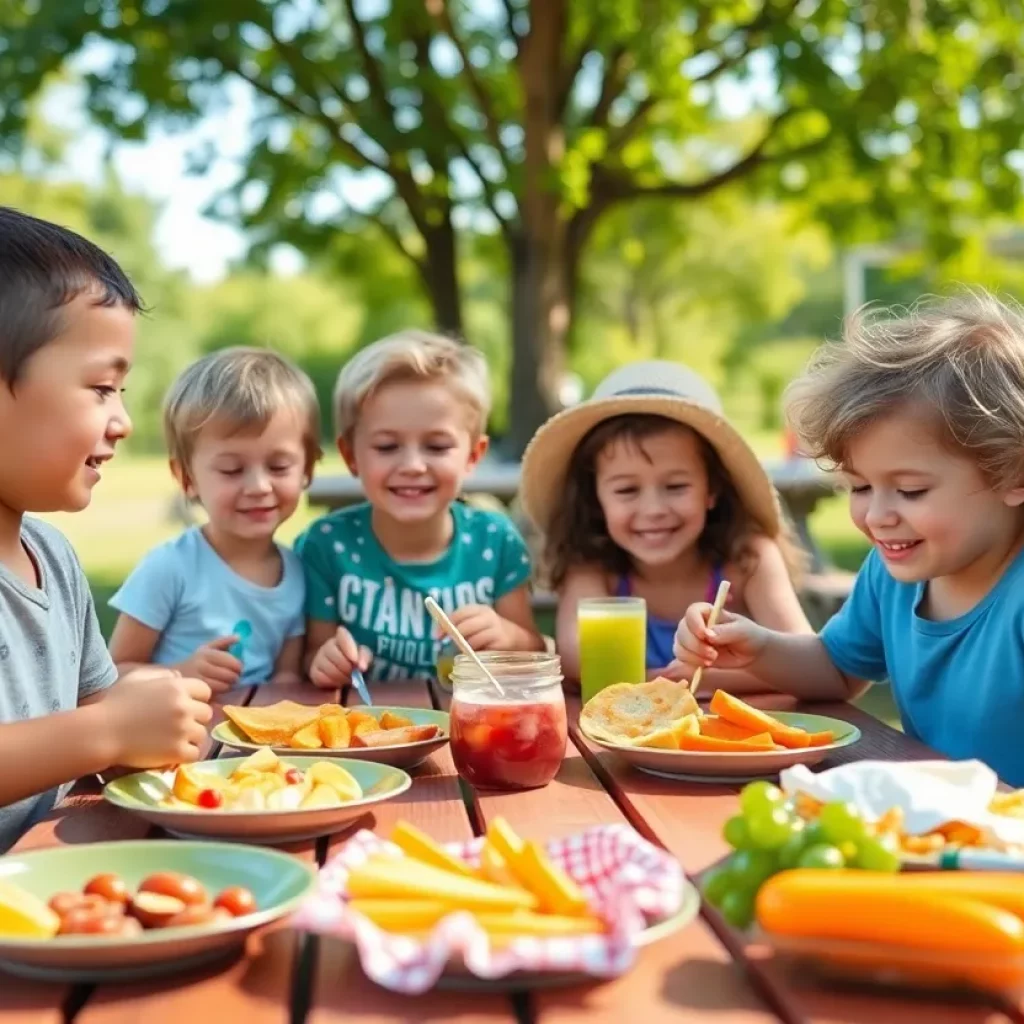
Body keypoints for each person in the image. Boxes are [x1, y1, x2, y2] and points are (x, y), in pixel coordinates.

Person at [673, 292, 1024, 785]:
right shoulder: (893, 574)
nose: (877, 515)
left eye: (909, 490)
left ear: (1013, 473)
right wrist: (757, 647)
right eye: (859, 487)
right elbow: (837, 670)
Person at [0, 207, 211, 852]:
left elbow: (96, 713)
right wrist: (109, 733)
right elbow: (96, 731)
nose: (121, 420)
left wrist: (145, 717)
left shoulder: (52, 557)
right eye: (99, 387)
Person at [520, 361, 811, 692]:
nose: (654, 510)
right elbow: (576, 658)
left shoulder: (748, 558)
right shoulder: (592, 566)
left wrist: (677, 680)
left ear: (712, 489)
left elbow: (805, 659)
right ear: (595, 498)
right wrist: (683, 681)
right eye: (627, 490)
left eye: (675, 487)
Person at [297, 330, 544, 687]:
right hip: (366, 733)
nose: (412, 464)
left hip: (471, 728)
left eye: (437, 446)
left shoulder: (495, 540)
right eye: (386, 446)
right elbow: (312, 656)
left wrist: (509, 639)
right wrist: (325, 662)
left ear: (473, 456)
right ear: (351, 456)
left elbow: (534, 651)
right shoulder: (327, 545)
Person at [108, 348, 321, 691]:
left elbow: (286, 676)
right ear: (186, 478)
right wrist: (180, 673)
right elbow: (112, 673)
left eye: (279, 467)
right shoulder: (170, 567)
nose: (259, 486)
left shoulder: (296, 570)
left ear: (307, 469)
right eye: (232, 470)